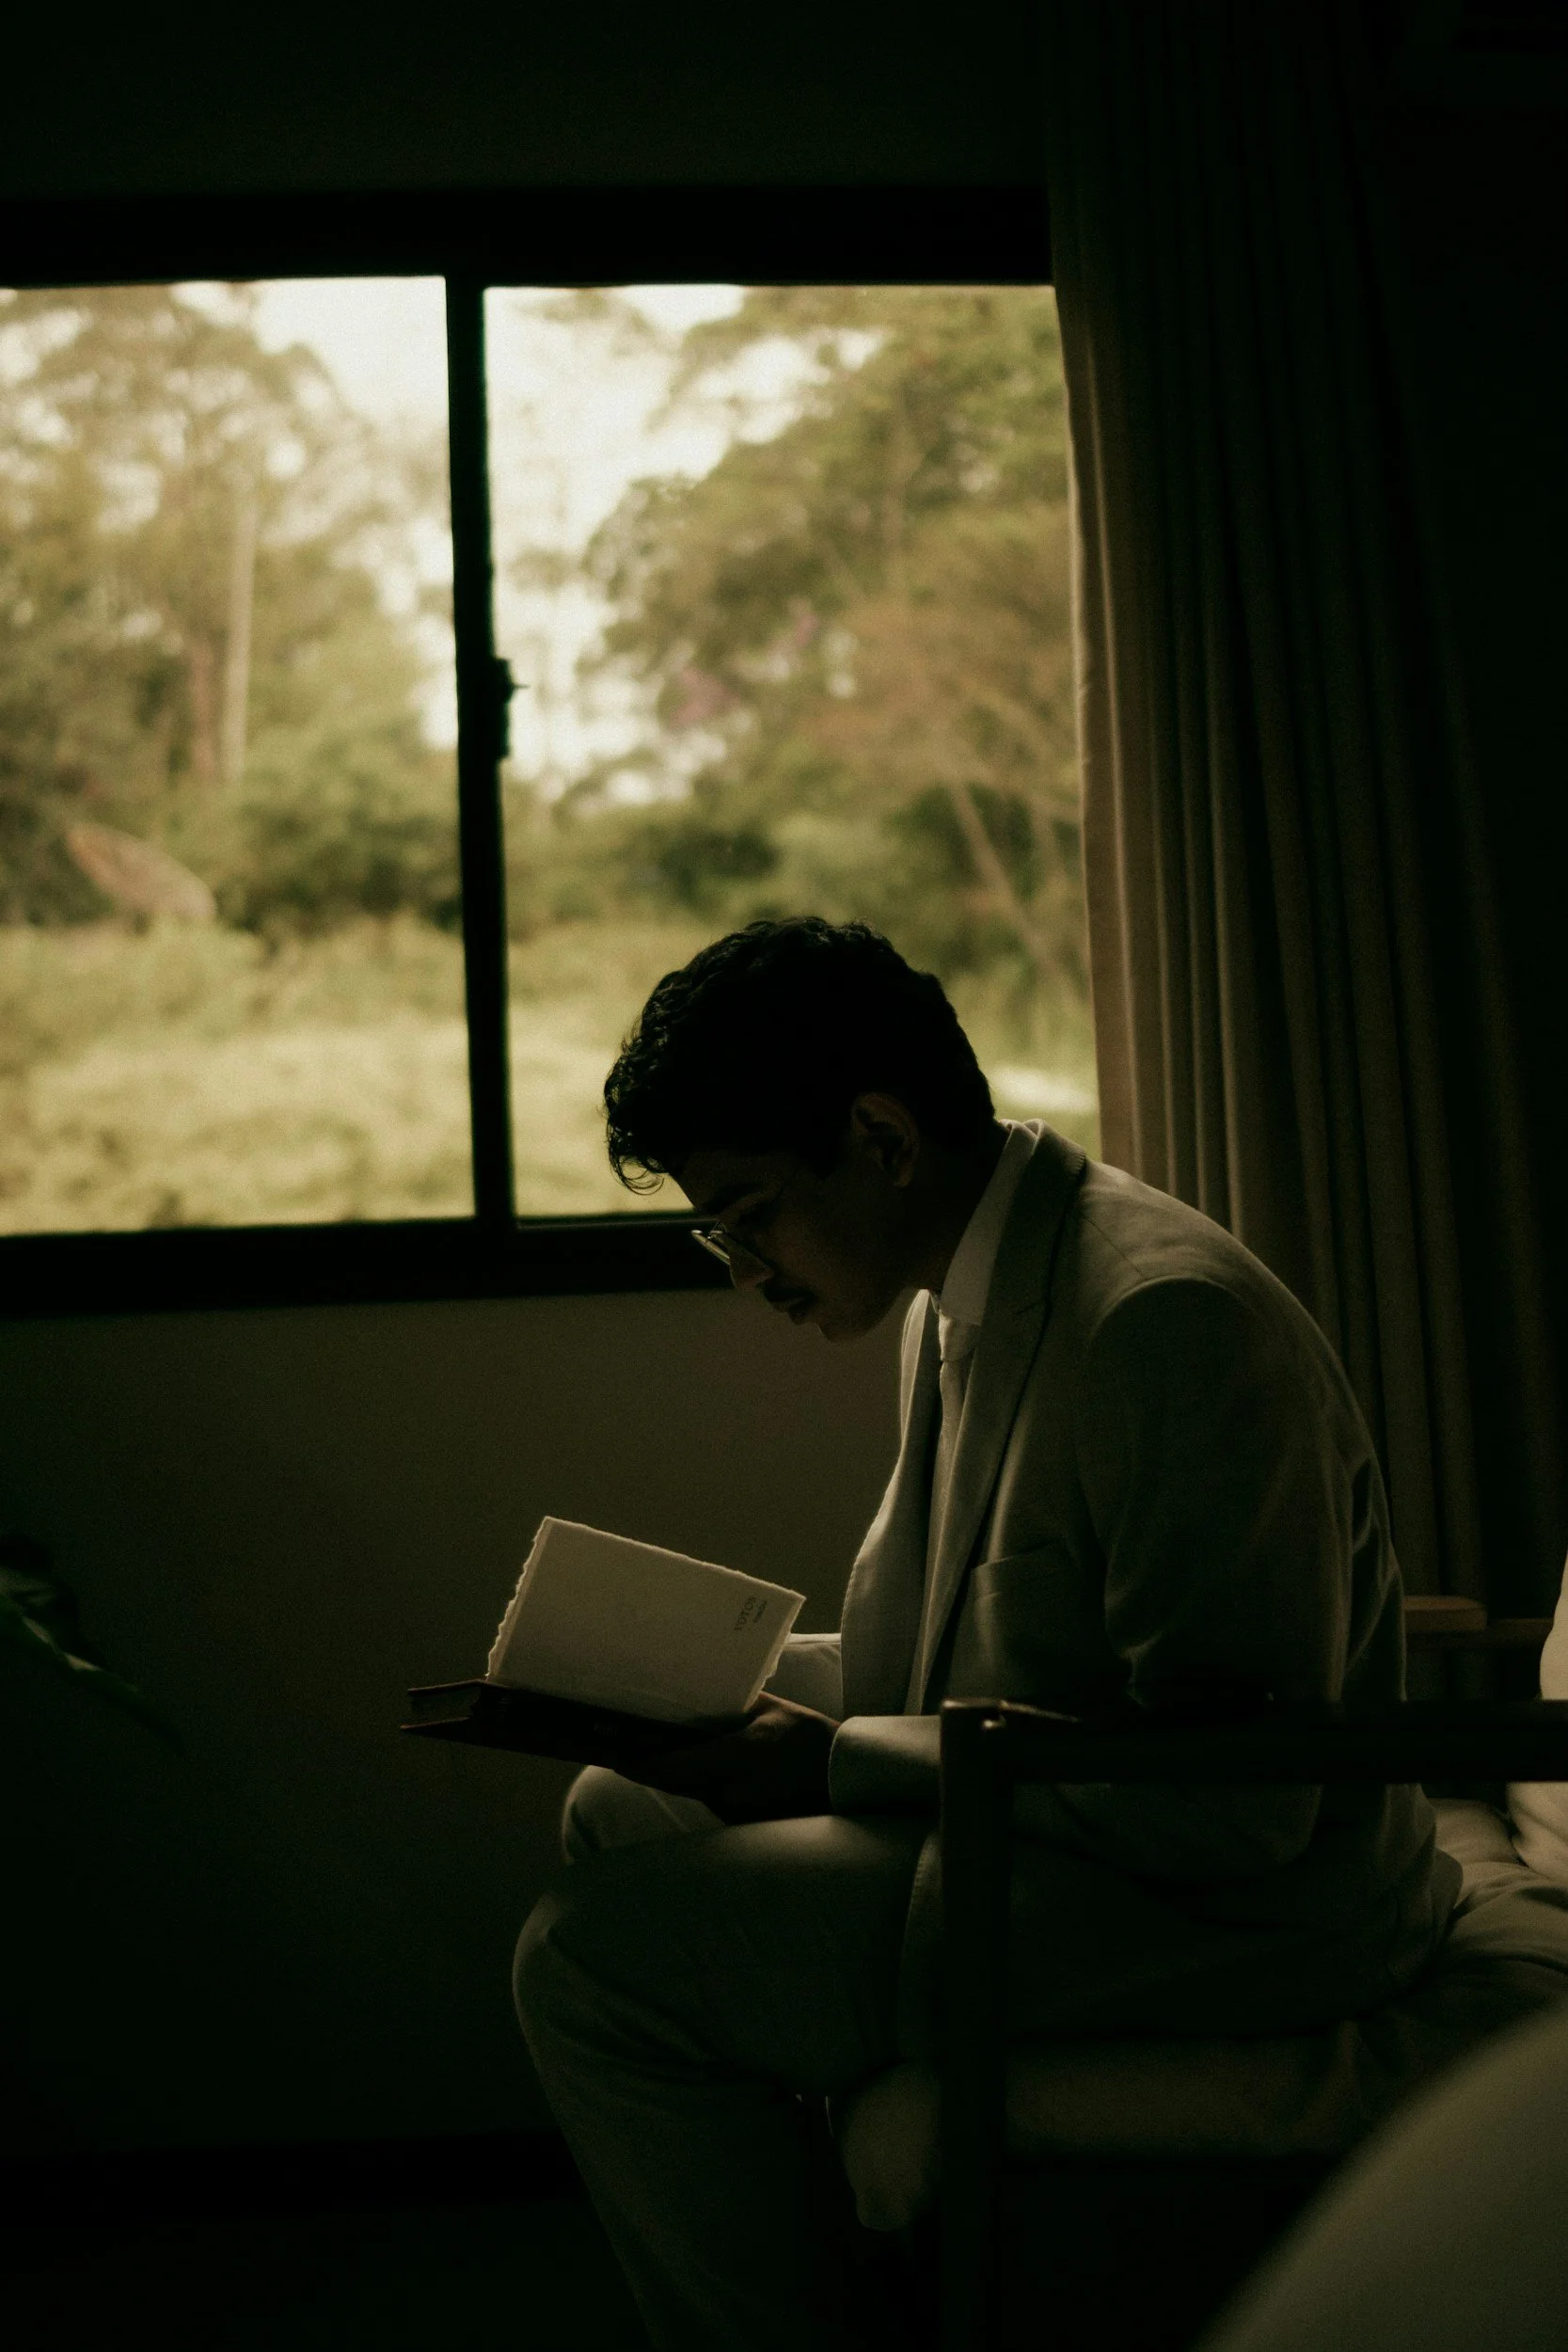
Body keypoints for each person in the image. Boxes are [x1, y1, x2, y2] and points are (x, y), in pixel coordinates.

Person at [513, 916, 1457, 2351]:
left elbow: (1233, 1809)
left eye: (751, 1213)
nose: (741, 1267)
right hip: (1055, 1843)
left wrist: (834, 1764)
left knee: (586, 1968)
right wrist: (711, 1689)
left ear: (881, 1136)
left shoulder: (1159, 1323)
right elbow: (987, 1643)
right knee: (613, 1804)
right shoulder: (963, 1289)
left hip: (1227, 1922)